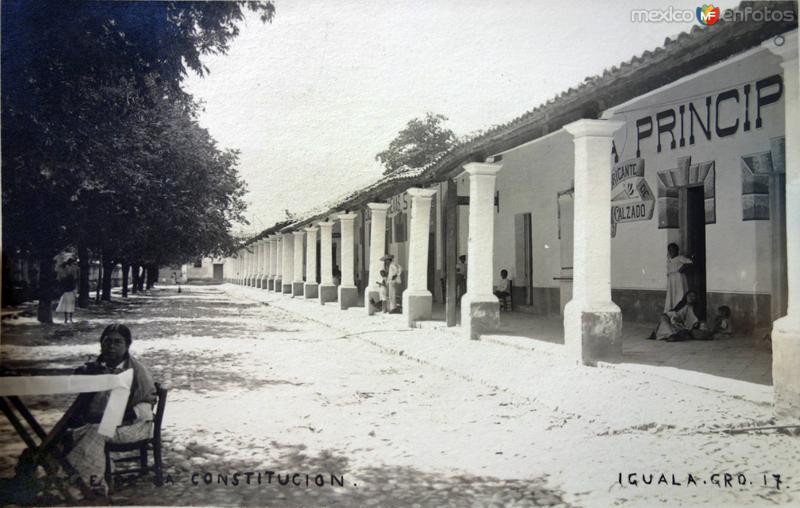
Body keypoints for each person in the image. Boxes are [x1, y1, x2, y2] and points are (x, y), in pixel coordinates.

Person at [65, 324, 156, 496]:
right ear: (101, 343)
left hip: (134, 425)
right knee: (69, 431)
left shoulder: (136, 370)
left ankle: (92, 486)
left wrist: (111, 418)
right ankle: (72, 476)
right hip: (103, 421)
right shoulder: (98, 366)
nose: (111, 346)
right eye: (107, 342)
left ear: (127, 345)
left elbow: (145, 407)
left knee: (96, 431)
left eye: (117, 342)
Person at [664, 243, 693, 312]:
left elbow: (690, 262)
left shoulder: (680, 258)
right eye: (670, 250)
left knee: (679, 294)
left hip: (678, 278)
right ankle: (671, 311)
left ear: (677, 250)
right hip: (671, 279)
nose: (671, 252)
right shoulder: (669, 260)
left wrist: (682, 268)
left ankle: (680, 310)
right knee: (672, 295)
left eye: (673, 250)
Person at [55, 258, 78, 324]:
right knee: (71, 306)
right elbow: (74, 280)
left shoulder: (64, 271)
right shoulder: (70, 272)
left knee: (66, 306)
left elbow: (60, 279)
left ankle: (66, 319)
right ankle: (70, 319)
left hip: (66, 291)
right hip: (70, 292)